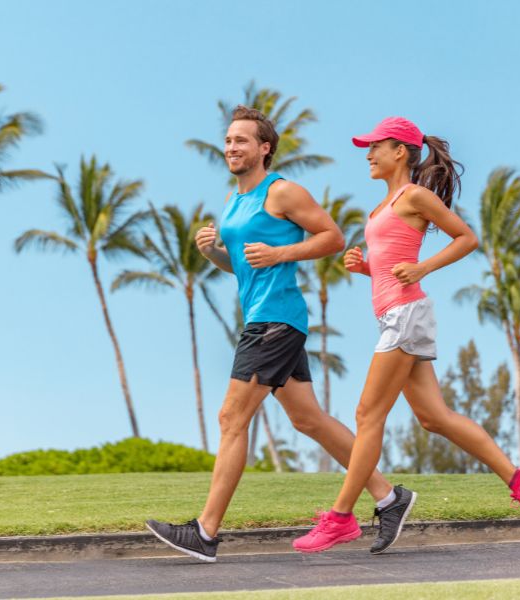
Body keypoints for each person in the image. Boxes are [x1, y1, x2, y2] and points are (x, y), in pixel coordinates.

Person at [146, 107, 417, 563]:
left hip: (275, 321)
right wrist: (214, 252)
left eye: (243, 141)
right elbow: (243, 266)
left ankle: (206, 532)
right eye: (229, 140)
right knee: (308, 419)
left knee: (232, 418)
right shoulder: (235, 202)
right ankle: (389, 498)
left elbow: (331, 237)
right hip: (266, 318)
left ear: (264, 148)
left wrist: (281, 252)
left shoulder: (282, 191)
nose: (232, 147)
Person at [291, 117, 520, 555]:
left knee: (368, 415)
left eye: (376, 146)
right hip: (399, 314)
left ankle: (340, 518)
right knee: (434, 417)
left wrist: (425, 267)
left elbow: (467, 238)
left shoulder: (415, 196)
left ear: (401, 151)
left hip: (405, 316)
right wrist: (366, 267)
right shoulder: (387, 203)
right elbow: (395, 259)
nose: (368, 154)